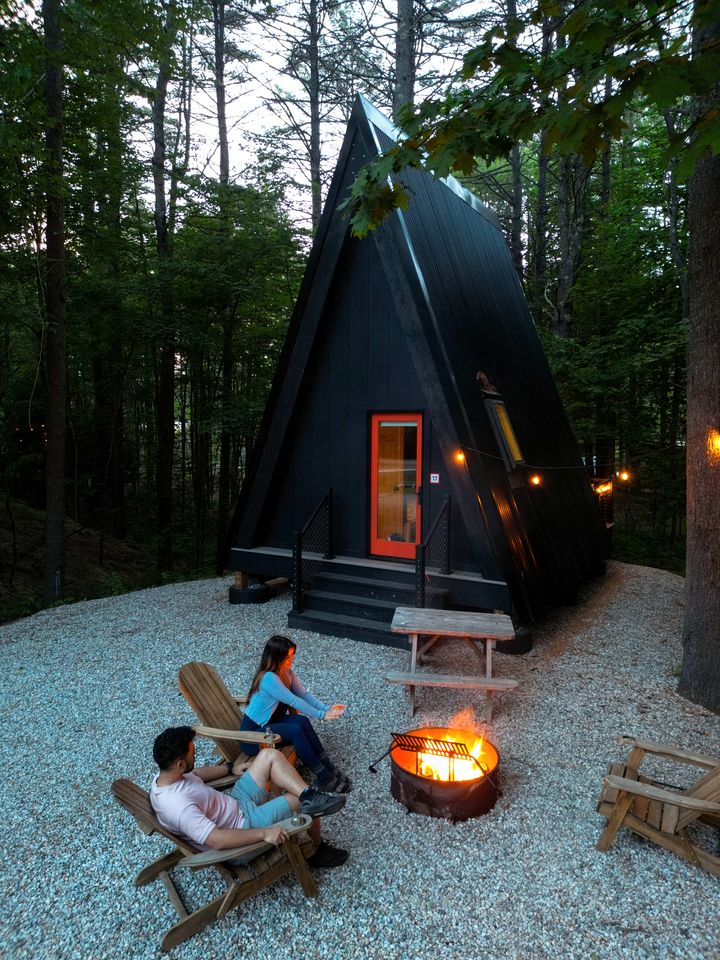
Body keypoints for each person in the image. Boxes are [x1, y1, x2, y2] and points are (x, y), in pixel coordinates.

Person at [150, 725, 348, 868]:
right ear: (180, 765)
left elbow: (198, 774)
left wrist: (230, 768)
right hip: (242, 830)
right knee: (298, 801)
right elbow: (217, 840)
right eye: (192, 753)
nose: (195, 755)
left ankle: (310, 794)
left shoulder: (165, 776)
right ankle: (317, 850)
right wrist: (264, 834)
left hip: (237, 804)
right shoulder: (178, 807)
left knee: (268, 756)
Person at [239, 634, 352, 793]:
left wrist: (327, 708)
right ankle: (323, 777)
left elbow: (303, 695)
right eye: (287, 657)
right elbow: (294, 701)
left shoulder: (287, 673)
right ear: (275, 657)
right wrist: (321, 715)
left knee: (302, 721)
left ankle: (327, 767)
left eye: (292, 655)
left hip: (270, 725)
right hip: (252, 737)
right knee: (295, 730)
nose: (291, 659)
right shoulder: (269, 678)